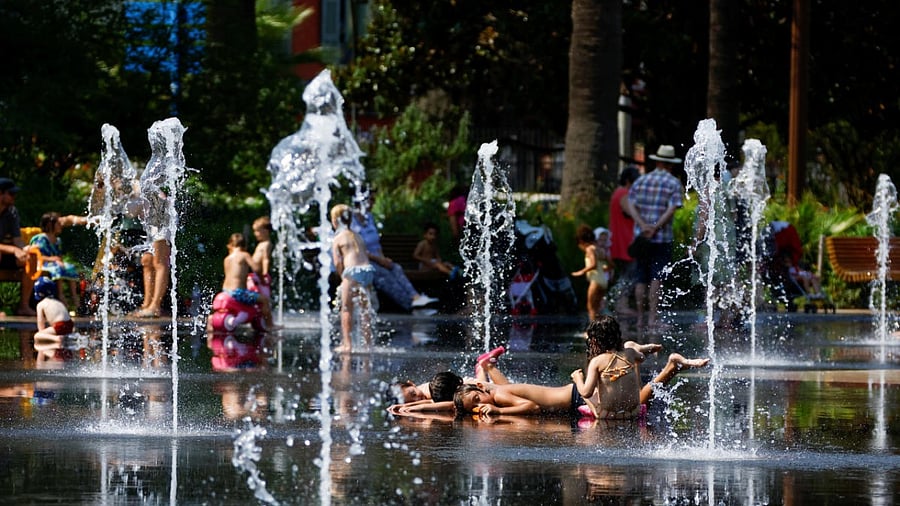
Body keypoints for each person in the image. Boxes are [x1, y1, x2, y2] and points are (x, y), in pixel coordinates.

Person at [571, 316, 709, 419]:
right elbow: (641, 359)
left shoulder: (596, 361)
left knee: (586, 396)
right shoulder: (629, 354)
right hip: (636, 411)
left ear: (594, 341)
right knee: (630, 348)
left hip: (610, 416)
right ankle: (639, 347)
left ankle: (640, 347)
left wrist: (578, 379)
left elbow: (587, 392)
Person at [622, 145, 684, 330]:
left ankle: (641, 319)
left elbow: (630, 204)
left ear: (657, 161)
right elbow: (672, 208)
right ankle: (652, 319)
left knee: (641, 277)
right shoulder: (673, 183)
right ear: (671, 165)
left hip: (641, 238)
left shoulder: (641, 181)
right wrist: (656, 227)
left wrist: (642, 225)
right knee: (657, 277)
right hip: (661, 238)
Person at [350, 194, 438, 312]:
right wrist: (379, 260)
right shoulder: (352, 221)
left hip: (376, 258)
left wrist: (383, 259)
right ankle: (412, 306)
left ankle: (416, 298)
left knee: (396, 268)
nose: (372, 203)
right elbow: (356, 248)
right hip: (362, 261)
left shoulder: (369, 217)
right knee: (384, 276)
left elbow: (376, 243)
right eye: (370, 200)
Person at [332, 204, 376, 352]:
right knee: (365, 310)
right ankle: (367, 344)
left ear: (334, 221)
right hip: (368, 270)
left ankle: (347, 345)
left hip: (351, 272)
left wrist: (341, 277)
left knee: (346, 309)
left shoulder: (338, 238)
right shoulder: (357, 235)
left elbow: (337, 262)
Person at [29, 212, 88, 309]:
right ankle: (60, 296)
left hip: (54, 263)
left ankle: (75, 298)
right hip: (43, 264)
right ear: (49, 225)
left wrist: (59, 260)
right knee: (58, 269)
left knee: (71, 268)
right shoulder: (41, 239)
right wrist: (53, 259)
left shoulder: (57, 241)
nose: (60, 226)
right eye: (58, 223)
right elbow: (36, 255)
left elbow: (59, 255)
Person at [221, 232, 274, 330]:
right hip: (238, 293)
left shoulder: (227, 259)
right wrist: (262, 278)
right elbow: (257, 269)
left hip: (225, 291)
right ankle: (270, 325)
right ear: (244, 246)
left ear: (230, 246)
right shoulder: (244, 255)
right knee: (264, 300)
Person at [0, 177, 36, 316]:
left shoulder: (12, 212)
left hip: (5, 253)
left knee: (31, 257)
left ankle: (24, 306)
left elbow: (17, 240)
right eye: (11, 194)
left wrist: (25, 249)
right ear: (1, 193)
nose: (14, 197)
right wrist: (15, 250)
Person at [608, 166, 641, 316]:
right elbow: (631, 211)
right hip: (625, 239)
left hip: (617, 237)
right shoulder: (624, 194)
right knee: (629, 274)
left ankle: (618, 303)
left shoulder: (616, 193)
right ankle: (620, 303)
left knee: (624, 273)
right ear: (628, 181)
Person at [571, 224, 608, 321]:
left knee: (591, 308)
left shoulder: (589, 249)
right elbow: (611, 264)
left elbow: (594, 264)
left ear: (581, 241)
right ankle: (601, 330)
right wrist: (606, 269)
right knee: (598, 308)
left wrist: (581, 271)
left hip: (595, 281)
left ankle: (593, 332)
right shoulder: (600, 249)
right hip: (604, 281)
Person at [33, 276, 74, 343]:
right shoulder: (58, 301)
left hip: (59, 326)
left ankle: (57, 339)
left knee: (37, 336)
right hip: (70, 324)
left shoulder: (40, 304)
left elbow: (41, 323)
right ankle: (69, 337)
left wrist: (42, 334)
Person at [248, 215, 273, 297]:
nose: (255, 234)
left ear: (266, 231)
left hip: (260, 276)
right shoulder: (261, 244)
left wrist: (265, 274)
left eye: (257, 231)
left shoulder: (267, 244)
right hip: (255, 274)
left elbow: (265, 259)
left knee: (261, 295)